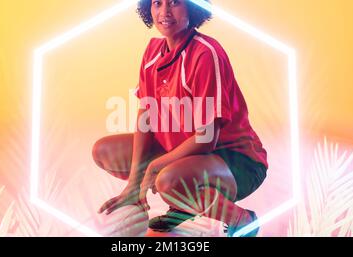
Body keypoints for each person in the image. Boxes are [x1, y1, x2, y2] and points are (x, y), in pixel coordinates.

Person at [93, 0, 268, 237]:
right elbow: (145, 117)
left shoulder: (206, 53)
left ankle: (242, 220)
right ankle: (184, 202)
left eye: (174, 2)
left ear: (192, 7)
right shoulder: (153, 51)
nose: (164, 11)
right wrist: (134, 185)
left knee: (167, 179)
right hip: (187, 156)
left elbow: (207, 138)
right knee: (103, 150)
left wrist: (154, 167)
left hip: (236, 161)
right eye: (157, 3)